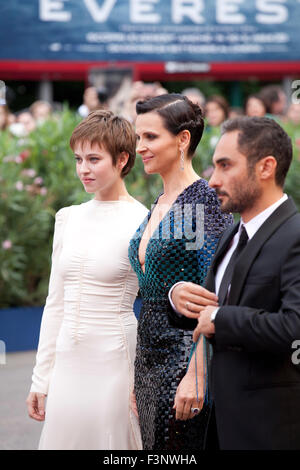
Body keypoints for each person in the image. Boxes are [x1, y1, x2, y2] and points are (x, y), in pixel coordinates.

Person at [170, 116, 300, 450]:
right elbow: (213, 311)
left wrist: (219, 318)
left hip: (272, 429)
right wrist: (181, 300)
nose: (212, 180)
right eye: (214, 166)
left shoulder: (295, 235)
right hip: (222, 423)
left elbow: (295, 327)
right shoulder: (232, 233)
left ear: (266, 167)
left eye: (225, 166)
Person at [26, 110, 148, 450]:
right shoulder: (69, 218)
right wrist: (41, 377)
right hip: (67, 362)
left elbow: (156, 304)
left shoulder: (143, 221)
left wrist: (144, 379)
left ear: (122, 159)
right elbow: (56, 302)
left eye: (94, 159)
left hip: (115, 362)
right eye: (79, 158)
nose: (83, 169)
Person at [128, 93, 233, 450]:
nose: (140, 146)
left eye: (151, 137)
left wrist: (197, 374)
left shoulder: (202, 202)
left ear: (183, 139)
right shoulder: (160, 202)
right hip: (147, 362)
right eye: (138, 136)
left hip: (183, 362)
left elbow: (217, 296)